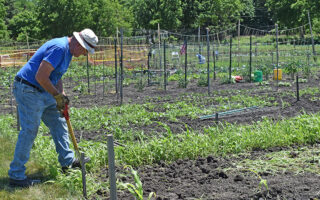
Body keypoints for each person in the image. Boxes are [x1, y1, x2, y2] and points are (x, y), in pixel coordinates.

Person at [8, 28, 98, 187]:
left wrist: (61, 96)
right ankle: (16, 175)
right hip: (28, 89)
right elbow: (40, 76)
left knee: (59, 122)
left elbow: (56, 76)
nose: (84, 54)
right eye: (85, 50)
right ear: (79, 43)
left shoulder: (68, 52)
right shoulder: (59, 48)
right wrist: (55, 95)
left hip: (42, 89)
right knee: (30, 130)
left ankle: (67, 162)